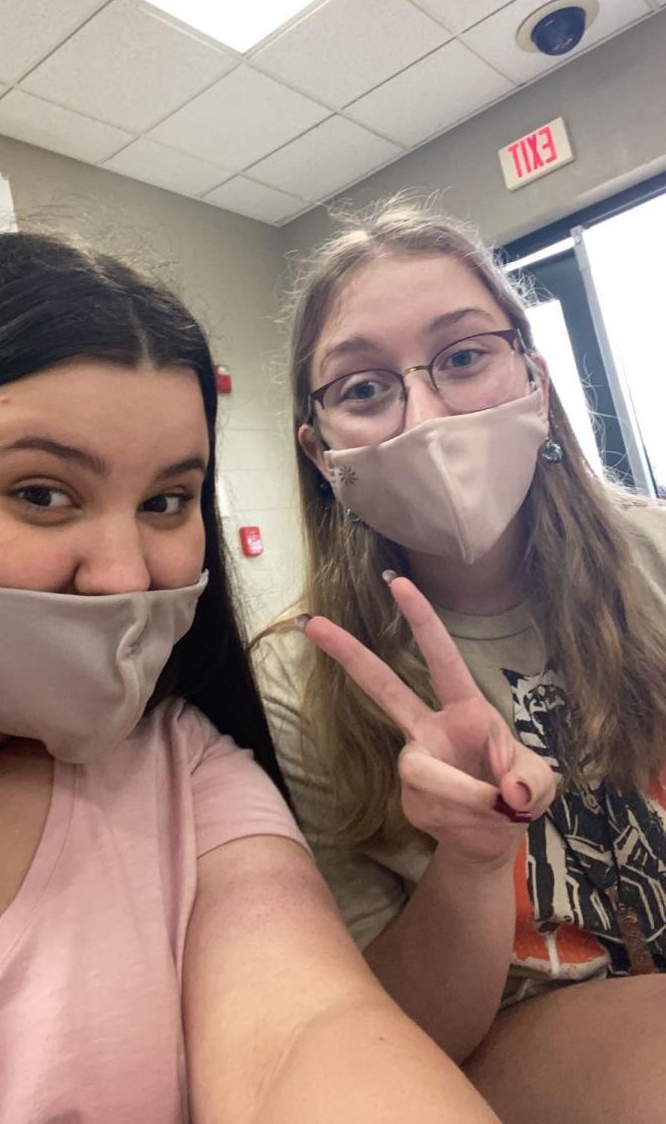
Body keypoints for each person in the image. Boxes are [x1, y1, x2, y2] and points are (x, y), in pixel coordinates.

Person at [0, 230, 503, 1124]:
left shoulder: (186, 765)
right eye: (41, 492)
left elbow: (308, 1032)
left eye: (166, 501)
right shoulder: (298, 678)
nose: (124, 575)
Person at [253, 198, 666, 1124]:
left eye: (466, 356)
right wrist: (474, 865)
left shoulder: (657, 559)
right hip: (505, 1056)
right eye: (364, 387)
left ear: (535, 379)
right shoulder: (301, 683)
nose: (427, 417)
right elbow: (400, 1042)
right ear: (321, 455)